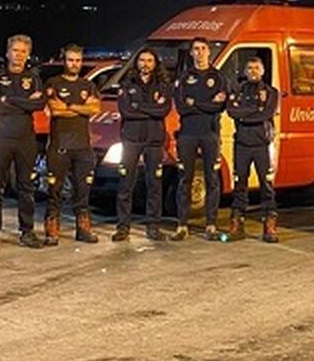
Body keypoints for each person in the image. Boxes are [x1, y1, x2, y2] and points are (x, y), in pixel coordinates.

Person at [0, 34, 44, 251]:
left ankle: (27, 231)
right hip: (1, 138)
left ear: (28, 55)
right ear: (7, 53)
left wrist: (9, 99)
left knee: (26, 186)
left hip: (25, 139)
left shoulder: (34, 78)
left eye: (23, 51)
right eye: (15, 50)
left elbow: (39, 105)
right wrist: (25, 102)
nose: (18, 55)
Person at [44, 44, 101, 244]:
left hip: (83, 146)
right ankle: (52, 229)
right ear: (64, 61)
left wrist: (69, 106)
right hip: (59, 145)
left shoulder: (88, 85)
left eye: (78, 60)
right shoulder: (53, 83)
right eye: (71, 60)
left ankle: (83, 228)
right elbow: (55, 110)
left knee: (83, 190)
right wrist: (80, 109)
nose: (74, 64)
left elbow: (95, 108)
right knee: (55, 190)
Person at [170, 37, 227, 240]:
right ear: (191, 53)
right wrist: (207, 103)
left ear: (208, 52)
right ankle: (182, 225)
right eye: (196, 49)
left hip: (210, 134)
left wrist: (195, 103)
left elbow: (220, 106)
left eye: (203, 48)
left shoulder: (218, 77)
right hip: (187, 134)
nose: (200, 52)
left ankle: (211, 225)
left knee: (212, 180)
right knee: (185, 179)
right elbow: (181, 107)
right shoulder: (184, 78)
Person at [113, 48, 171, 241]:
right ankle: (123, 227)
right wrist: (151, 110)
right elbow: (126, 111)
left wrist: (138, 106)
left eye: (149, 61)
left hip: (154, 142)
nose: (145, 64)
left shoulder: (163, 85)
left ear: (155, 64)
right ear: (136, 63)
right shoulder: (127, 84)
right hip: (131, 140)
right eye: (142, 60)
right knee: (125, 185)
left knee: (154, 185)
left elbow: (163, 110)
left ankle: (153, 226)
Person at [226, 56, 280, 243]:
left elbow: (266, 114)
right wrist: (255, 109)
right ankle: (237, 223)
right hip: (241, 144)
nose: (253, 71)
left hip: (262, 145)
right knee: (239, 184)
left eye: (257, 68)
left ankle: (269, 225)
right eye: (249, 68)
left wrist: (244, 114)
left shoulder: (271, 92)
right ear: (245, 71)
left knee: (266, 185)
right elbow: (232, 112)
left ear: (263, 71)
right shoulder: (237, 90)